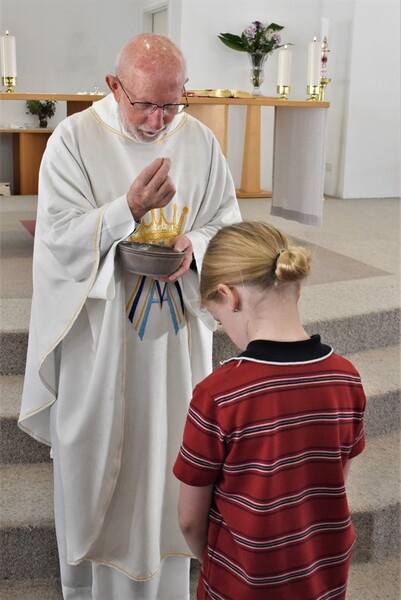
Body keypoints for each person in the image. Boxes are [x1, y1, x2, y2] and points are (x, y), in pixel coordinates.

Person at [19, 34, 241, 599]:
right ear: (114, 85)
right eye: (144, 103)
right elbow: (59, 241)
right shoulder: (73, 140)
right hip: (101, 344)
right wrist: (129, 210)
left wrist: (193, 242)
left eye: (172, 103)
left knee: (171, 459)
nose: (158, 118)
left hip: (174, 347)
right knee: (97, 462)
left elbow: (229, 226)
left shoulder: (200, 142)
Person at [173, 221, 366, 600]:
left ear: (230, 297)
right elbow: (333, 480)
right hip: (322, 577)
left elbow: (189, 519)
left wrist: (217, 563)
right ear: (295, 286)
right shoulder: (347, 378)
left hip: (243, 583)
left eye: (219, 318)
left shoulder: (218, 394)